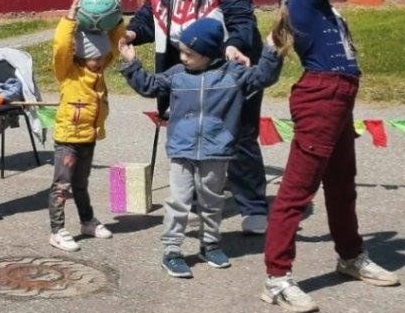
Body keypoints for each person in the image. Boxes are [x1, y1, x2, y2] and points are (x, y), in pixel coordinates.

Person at [248, 0, 401, 313]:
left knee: (341, 184)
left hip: (338, 97)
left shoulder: (322, 4)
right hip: (322, 96)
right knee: (297, 192)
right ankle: (277, 279)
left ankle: (350, 257)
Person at [124, 0, 271, 234]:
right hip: (188, 75)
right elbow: (146, 21)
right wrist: (131, 34)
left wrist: (235, 44)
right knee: (189, 138)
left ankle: (254, 207)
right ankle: (191, 203)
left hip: (229, 71)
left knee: (240, 137)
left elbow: (242, 20)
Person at [119, 17, 283, 278]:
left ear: (208, 54)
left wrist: (272, 50)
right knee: (180, 202)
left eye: (189, 53)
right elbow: (148, 86)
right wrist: (131, 63)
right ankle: (172, 250)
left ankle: (211, 244)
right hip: (182, 151)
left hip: (216, 152)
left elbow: (264, 76)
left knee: (211, 202)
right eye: (181, 51)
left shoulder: (233, 76)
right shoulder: (177, 75)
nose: (182, 57)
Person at [48, 0, 126, 252]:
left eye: (104, 58)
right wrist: (70, 18)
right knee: (62, 186)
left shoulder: (99, 71)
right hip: (68, 140)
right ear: (83, 57)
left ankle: (87, 221)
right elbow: (61, 46)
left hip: (88, 138)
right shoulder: (69, 73)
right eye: (98, 58)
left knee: (81, 184)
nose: (104, 61)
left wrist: (115, 21)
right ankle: (57, 231)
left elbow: (116, 44)